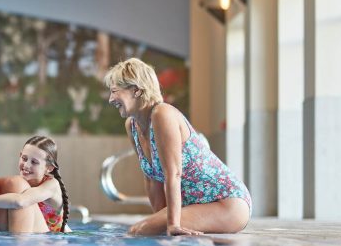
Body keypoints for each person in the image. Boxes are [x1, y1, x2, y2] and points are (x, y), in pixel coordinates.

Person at [104, 58, 251, 236]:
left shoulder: (162, 114)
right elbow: (152, 180)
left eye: (114, 91)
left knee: (140, 230)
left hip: (227, 203)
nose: (111, 99)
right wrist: (159, 219)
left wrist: (172, 225)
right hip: (197, 206)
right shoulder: (132, 126)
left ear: (136, 90)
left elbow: (173, 173)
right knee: (143, 230)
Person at [0, 135, 71, 233]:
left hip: (58, 240)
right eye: (24, 158)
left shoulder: (52, 185)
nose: (26, 165)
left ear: (49, 168)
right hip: (39, 239)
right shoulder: (21, 183)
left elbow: (20, 201)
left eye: (34, 162)